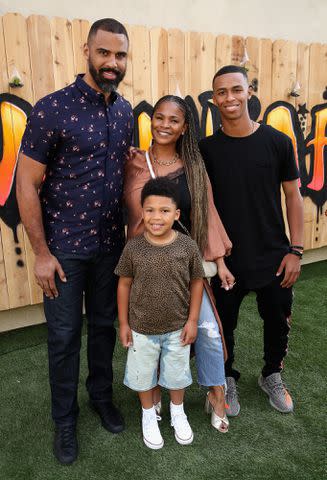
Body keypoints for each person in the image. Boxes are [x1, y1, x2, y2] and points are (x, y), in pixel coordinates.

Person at [16, 18, 133, 464]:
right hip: (63, 249)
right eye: (104, 53)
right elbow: (25, 184)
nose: (111, 62)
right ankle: (64, 420)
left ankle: (100, 398)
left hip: (110, 247)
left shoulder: (124, 112)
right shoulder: (52, 108)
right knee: (64, 337)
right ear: (87, 50)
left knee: (104, 328)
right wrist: (41, 254)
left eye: (119, 55)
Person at [124, 95, 234, 433]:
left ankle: (216, 393)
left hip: (184, 262)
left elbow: (208, 212)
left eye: (174, 120)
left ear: (185, 127)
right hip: (143, 267)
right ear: (151, 120)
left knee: (207, 332)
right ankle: (153, 392)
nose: (164, 125)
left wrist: (219, 260)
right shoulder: (133, 162)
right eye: (159, 117)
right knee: (152, 333)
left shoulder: (194, 166)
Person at [199, 65, 304, 416]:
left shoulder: (277, 142)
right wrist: (214, 258)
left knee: (277, 318)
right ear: (214, 100)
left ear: (249, 93)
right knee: (222, 325)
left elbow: (293, 196)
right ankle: (226, 378)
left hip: (273, 254)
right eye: (222, 92)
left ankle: (272, 374)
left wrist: (296, 250)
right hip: (226, 259)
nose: (229, 97)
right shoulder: (206, 149)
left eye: (236, 90)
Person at [116, 177, 204, 449]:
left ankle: (177, 412)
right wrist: (123, 323)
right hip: (141, 328)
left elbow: (197, 281)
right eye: (150, 210)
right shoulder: (133, 247)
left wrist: (192, 321)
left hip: (177, 327)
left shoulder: (187, 246)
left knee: (177, 374)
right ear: (142, 212)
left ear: (176, 214)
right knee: (144, 374)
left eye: (164, 211)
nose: (156, 217)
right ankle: (148, 415)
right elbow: (124, 284)